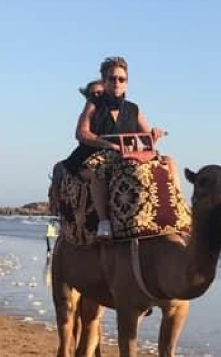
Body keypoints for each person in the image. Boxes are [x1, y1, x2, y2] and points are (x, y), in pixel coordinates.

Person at [64, 57, 165, 240]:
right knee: (98, 169)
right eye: (112, 79)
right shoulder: (94, 105)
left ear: (127, 83)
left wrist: (154, 135)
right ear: (105, 81)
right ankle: (104, 223)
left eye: (121, 79)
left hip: (122, 158)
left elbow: (145, 141)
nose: (117, 83)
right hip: (92, 157)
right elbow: (81, 133)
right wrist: (108, 145)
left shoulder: (134, 109)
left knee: (166, 164)